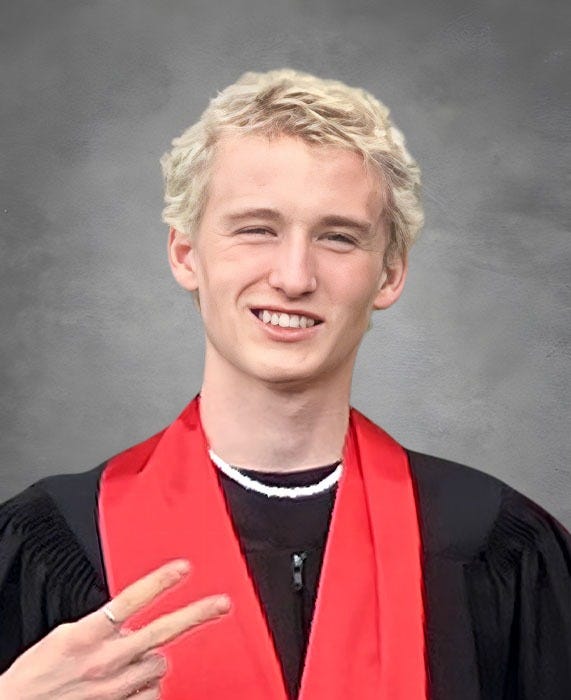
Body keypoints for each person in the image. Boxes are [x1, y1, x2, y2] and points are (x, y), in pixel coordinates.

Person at [0, 69, 570, 700]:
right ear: (186, 254)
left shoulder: (495, 544)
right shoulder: (51, 543)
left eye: (338, 237)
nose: (295, 277)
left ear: (389, 274)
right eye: (256, 229)